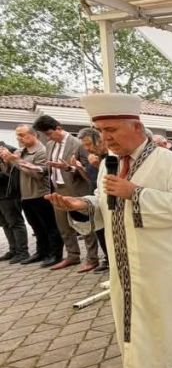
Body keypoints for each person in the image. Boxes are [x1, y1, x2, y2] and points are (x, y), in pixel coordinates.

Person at [46, 93, 172, 368]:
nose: (106, 139)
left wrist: (136, 193)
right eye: (102, 132)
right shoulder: (108, 164)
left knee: (169, 320)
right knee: (133, 321)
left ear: (137, 127)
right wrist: (80, 204)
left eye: (112, 130)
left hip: (164, 263)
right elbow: (106, 205)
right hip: (125, 263)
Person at [35, 115, 98, 272]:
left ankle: (92, 258)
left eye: (49, 133)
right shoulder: (50, 145)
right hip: (57, 189)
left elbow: (89, 168)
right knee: (63, 225)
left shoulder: (78, 143)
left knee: (84, 225)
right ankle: (72, 255)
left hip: (77, 189)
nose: (48, 137)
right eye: (45, 135)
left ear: (58, 128)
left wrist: (69, 168)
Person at [1, 125, 62, 266]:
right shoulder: (20, 151)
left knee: (49, 226)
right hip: (25, 196)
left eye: (22, 135)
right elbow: (9, 173)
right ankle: (41, 252)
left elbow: (37, 174)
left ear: (34, 134)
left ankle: (55, 254)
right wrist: (6, 162)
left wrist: (16, 161)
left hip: (41, 194)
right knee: (36, 227)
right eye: (17, 135)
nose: (19, 138)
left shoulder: (42, 151)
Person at [74, 127, 110, 273]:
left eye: (89, 144)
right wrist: (80, 168)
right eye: (85, 145)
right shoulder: (93, 157)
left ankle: (112, 259)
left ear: (99, 140)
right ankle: (108, 258)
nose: (88, 148)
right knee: (99, 230)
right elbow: (90, 178)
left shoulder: (110, 157)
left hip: (107, 198)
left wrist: (98, 165)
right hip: (95, 196)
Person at [0, 141, 29, 264]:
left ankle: (22, 252)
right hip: (1, 195)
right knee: (5, 224)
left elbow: (12, 173)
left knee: (15, 223)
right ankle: (14, 250)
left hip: (9, 195)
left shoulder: (10, 150)